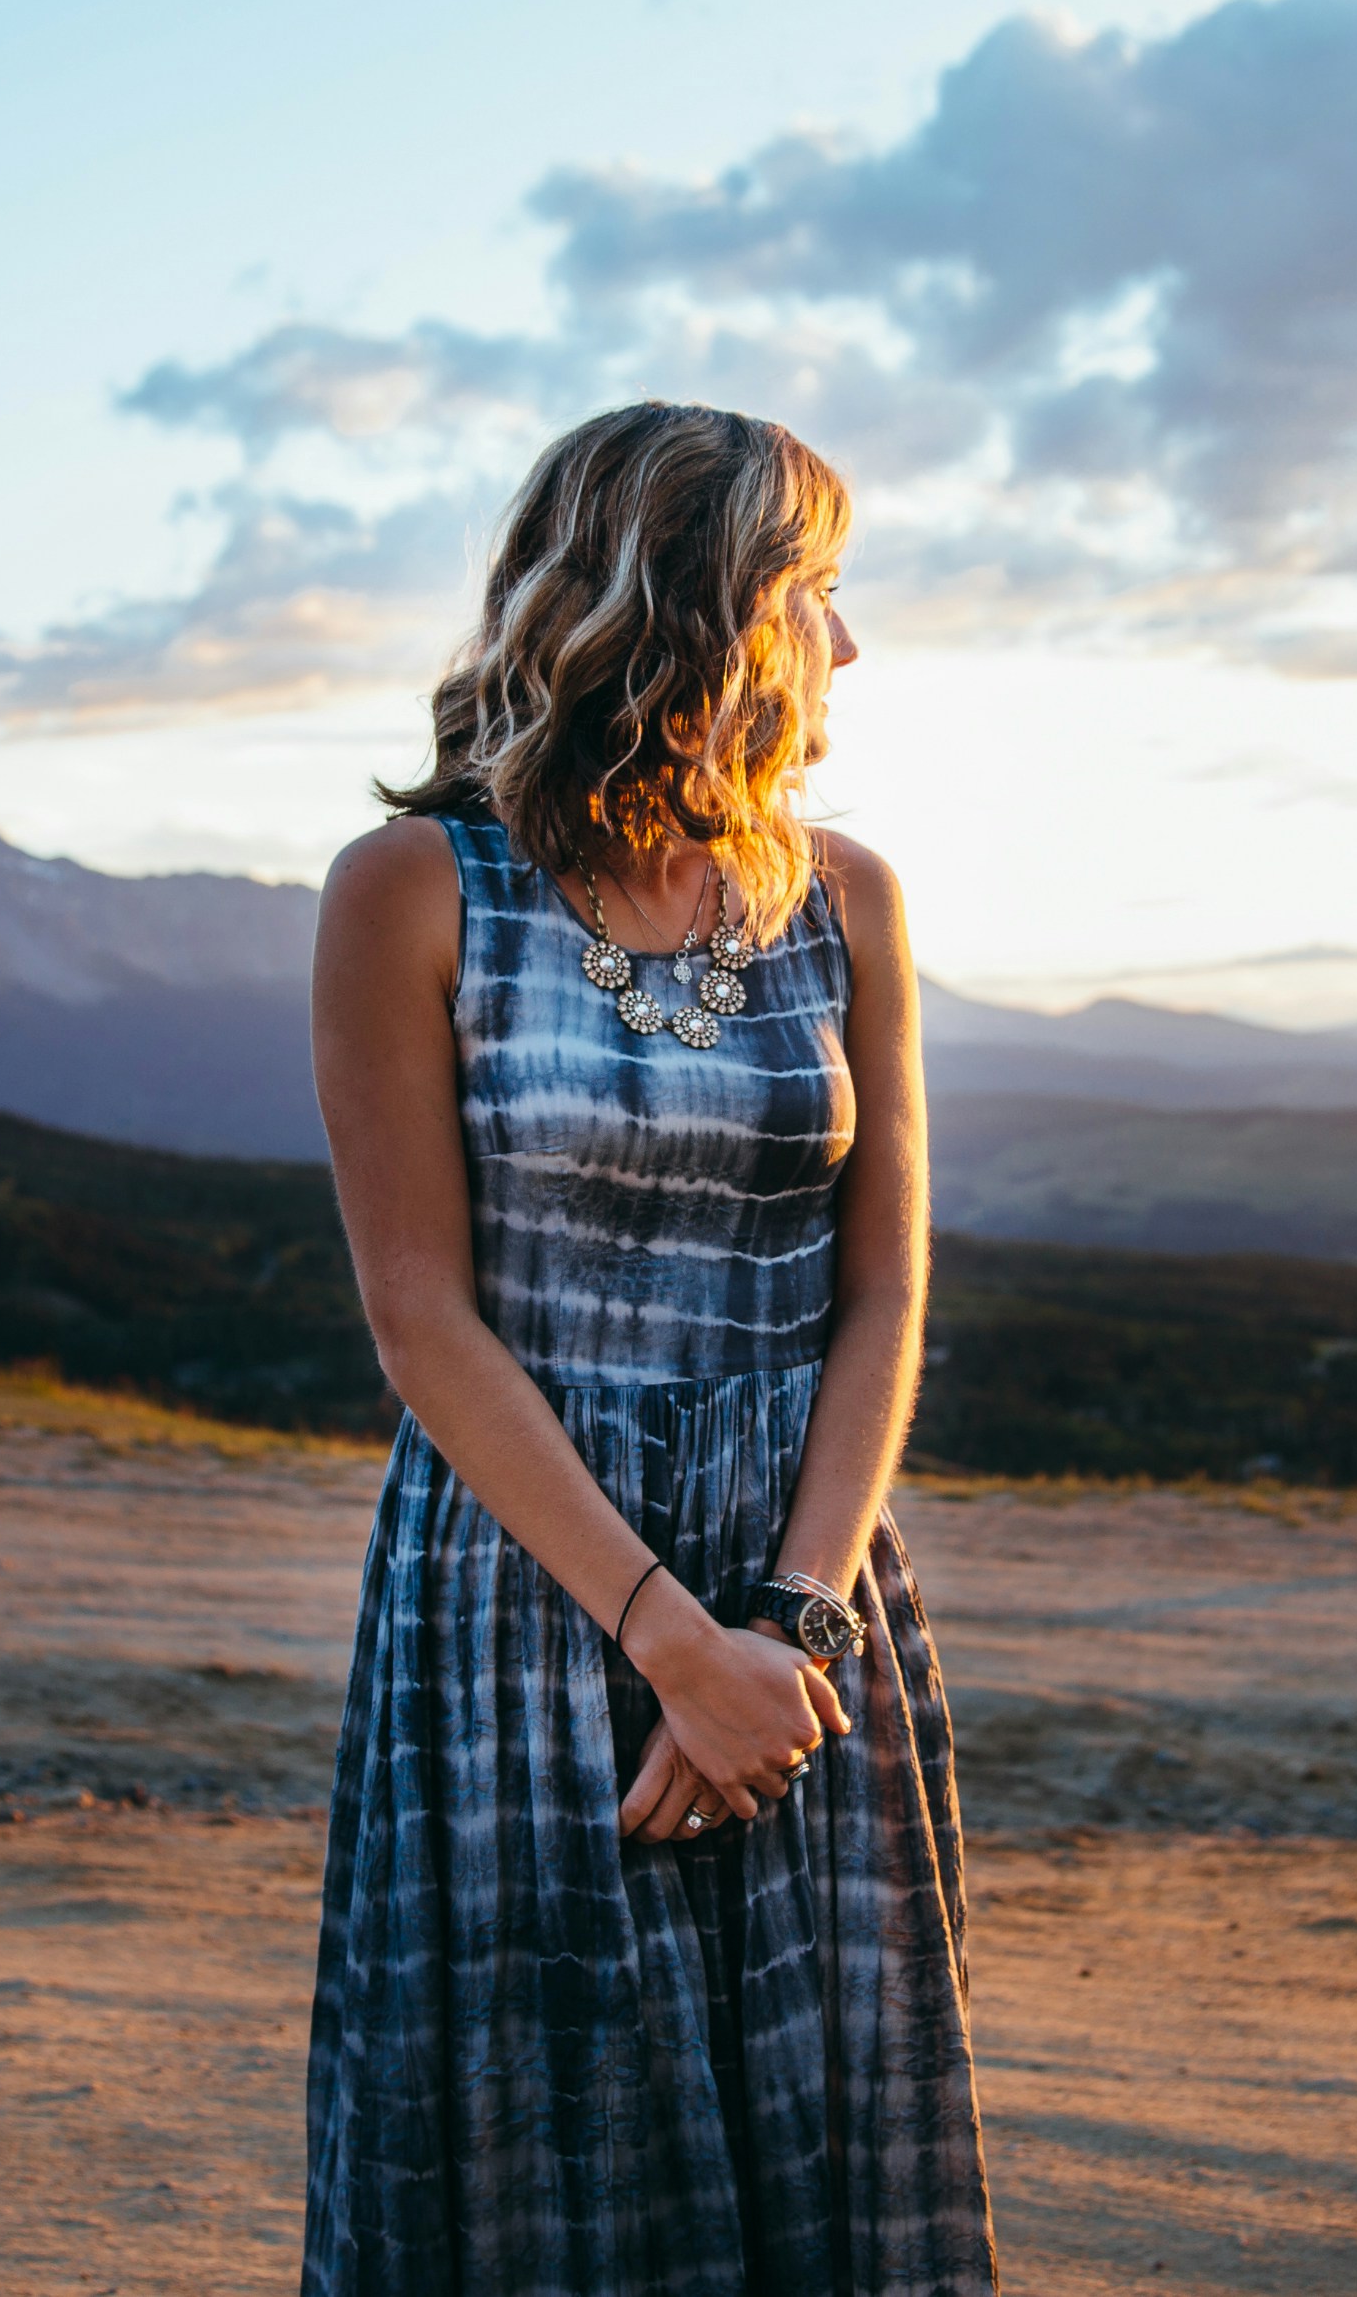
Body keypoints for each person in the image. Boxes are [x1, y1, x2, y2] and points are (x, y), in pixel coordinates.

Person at [302, 403, 995, 2293]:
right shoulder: (416, 891)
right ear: (693, 612)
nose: (846, 648)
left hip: (805, 1607)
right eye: (817, 595)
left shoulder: (851, 897)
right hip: (527, 1594)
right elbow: (420, 1315)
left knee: (820, 2143)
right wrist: (662, 1634)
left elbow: (884, 1297)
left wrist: (780, 1630)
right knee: (546, 2148)